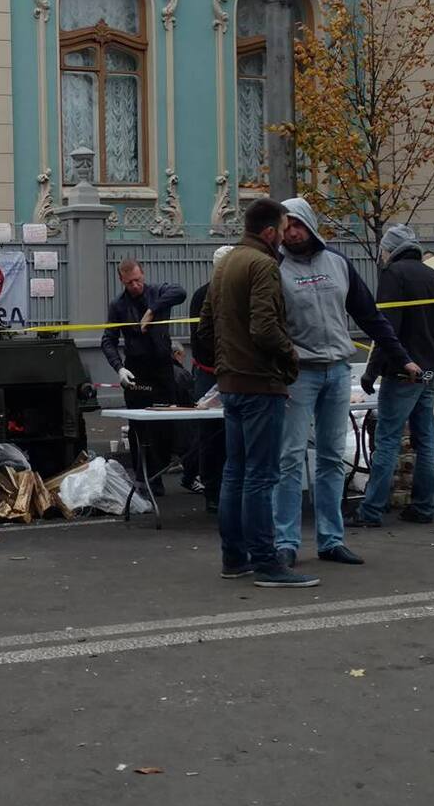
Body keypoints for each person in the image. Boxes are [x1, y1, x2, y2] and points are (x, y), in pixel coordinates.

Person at [271, 198, 418, 567]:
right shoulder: (274, 268)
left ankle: (331, 540)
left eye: (297, 225)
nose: (291, 232)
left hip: (337, 370)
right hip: (298, 373)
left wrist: (401, 357)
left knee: (332, 458)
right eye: (285, 227)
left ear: (309, 224)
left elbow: (370, 315)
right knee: (289, 458)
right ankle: (285, 542)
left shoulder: (338, 263)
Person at [193, 199, 319, 588]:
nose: (284, 238)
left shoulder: (226, 262)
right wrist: (290, 359)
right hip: (260, 384)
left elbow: (205, 328)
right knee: (262, 476)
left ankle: (235, 558)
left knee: (235, 473)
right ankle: (267, 563)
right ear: (269, 232)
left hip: (231, 382)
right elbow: (266, 328)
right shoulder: (263, 265)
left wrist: (226, 364)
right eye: (282, 231)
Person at [357, 222, 434, 526]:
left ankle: (372, 510)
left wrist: (372, 370)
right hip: (429, 371)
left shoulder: (393, 275)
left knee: (387, 439)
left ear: (389, 250)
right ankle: (424, 507)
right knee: (426, 441)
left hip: (402, 372)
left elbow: (386, 328)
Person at [102, 259, 188, 496]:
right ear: (122, 281)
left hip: (162, 369)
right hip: (136, 370)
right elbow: (108, 340)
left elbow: (180, 292)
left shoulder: (158, 292)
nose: (136, 285)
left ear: (143, 275)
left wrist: (152, 310)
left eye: (138, 280)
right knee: (139, 426)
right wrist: (119, 368)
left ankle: (158, 471)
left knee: (165, 425)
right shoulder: (118, 305)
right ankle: (143, 477)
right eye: (130, 282)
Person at [183, 245, 235, 511]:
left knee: (228, 432)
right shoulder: (204, 295)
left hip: (228, 370)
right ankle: (212, 491)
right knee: (210, 432)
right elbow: (201, 337)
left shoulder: (235, 293)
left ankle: (219, 487)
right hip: (209, 371)